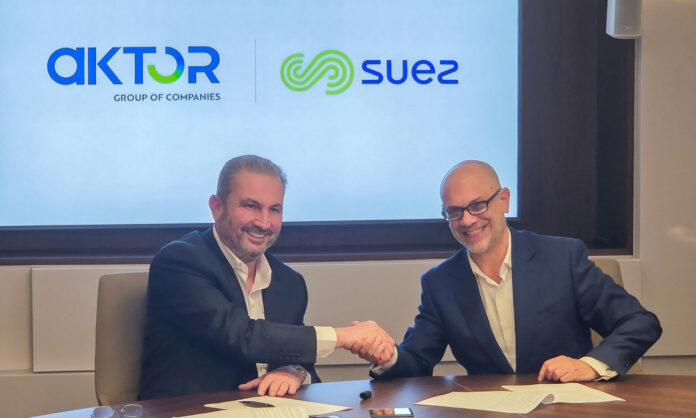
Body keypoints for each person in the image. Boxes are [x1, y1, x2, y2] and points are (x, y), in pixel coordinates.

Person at [356, 160, 661, 383]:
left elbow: (640, 323)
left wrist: (591, 365)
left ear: (504, 200)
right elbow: (417, 361)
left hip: (568, 409)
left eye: (477, 205)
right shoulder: (441, 283)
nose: (467, 220)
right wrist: (387, 356)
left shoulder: (561, 258)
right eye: (454, 211)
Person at [139, 155, 393, 400]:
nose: (263, 222)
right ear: (216, 207)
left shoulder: (289, 282)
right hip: (188, 410)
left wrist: (294, 371)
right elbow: (242, 336)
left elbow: (300, 358)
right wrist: (345, 336)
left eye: (274, 210)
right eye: (251, 206)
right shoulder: (180, 262)